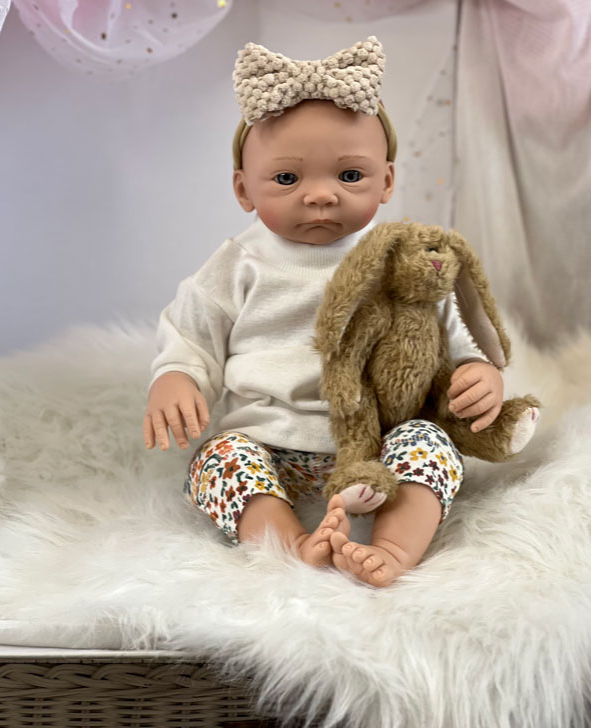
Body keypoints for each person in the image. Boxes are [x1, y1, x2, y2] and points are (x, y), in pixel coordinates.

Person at [143, 37, 503, 587]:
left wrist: (477, 372)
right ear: (244, 189)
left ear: (387, 181)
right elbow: (191, 334)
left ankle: (392, 549)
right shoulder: (240, 263)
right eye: (287, 178)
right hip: (269, 444)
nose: (320, 195)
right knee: (218, 460)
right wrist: (176, 375)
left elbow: (450, 337)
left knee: (431, 444)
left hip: (378, 447)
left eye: (349, 176)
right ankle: (291, 542)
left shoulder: (400, 256)